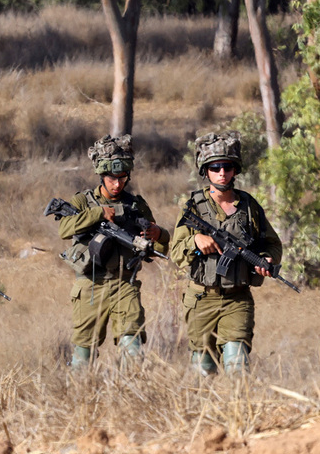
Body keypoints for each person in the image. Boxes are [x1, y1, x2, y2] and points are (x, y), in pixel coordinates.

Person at [171, 131, 283, 375]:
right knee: (203, 370)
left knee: (237, 365)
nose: (222, 172)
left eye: (227, 166)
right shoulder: (193, 207)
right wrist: (195, 240)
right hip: (201, 298)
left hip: (237, 298)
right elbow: (176, 251)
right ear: (206, 171)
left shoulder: (249, 206)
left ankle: (237, 411)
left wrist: (268, 259)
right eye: (215, 167)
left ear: (235, 170)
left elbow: (272, 243)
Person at [57, 134, 169, 368]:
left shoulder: (136, 205)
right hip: (90, 285)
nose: (117, 184)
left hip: (125, 284)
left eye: (122, 178)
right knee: (83, 356)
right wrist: (99, 214)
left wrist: (158, 234)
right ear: (101, 175)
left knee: (133, 349)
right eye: (111, 178)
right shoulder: (82, 202)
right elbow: (64, 230)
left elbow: (159, 245)